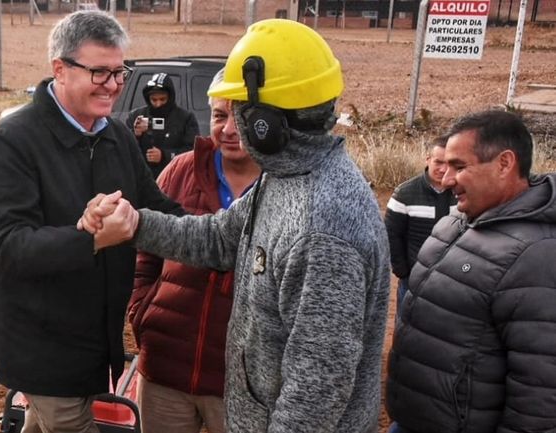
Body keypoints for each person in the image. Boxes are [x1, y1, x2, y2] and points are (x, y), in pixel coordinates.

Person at [81, 19, 391, 433]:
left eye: (241, 110)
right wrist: (136, 223)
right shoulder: (286, 177)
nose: (234, 124)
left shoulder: (324, 226)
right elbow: (218, 238)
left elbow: (317, 385)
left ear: (265, 122)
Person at [0, 10, 183, 433]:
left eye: (118, 72)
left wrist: (221, 231)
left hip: (95, 336)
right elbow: (8, 247)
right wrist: (88, 237)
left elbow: (158, 207)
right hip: (43, 342)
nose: (112, 85)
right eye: (99, 72)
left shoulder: (117, 136)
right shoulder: (14, 142)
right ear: (61, 69)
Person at [386, 110, 556, 433]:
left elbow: (540, 393)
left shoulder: (539, 253)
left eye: (459, 167)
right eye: (445, 166)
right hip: (410, 420)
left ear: (505, 164)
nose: (446, 179)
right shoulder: (451, 225)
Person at [128, 69, 261, 433]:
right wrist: (143, 311)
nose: (229, 129)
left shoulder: (283, 186)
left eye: (243, 116)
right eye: (220, 116)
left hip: (242, 384)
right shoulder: (180, 170)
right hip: (167, 369)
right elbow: (145, 254)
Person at [384, 136, 456, 317]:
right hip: (414, 279)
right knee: (406, 328)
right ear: (428, 159)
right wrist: (403, 272)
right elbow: (391, 235)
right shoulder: (405, 193)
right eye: (438, 162)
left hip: (452, 280)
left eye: (449, 163)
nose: (443, 169)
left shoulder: (462, 193)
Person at [126, 73, 199, 178]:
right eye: (154, 100)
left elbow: (193, 152)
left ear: (170, 97)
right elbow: (124, 151)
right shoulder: (137, 116)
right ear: (148, 98)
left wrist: (164, 155)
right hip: (143, 179)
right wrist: (136, 134)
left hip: (174, 177)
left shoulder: (185, 118)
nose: (158, 104)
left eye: (162, 99)